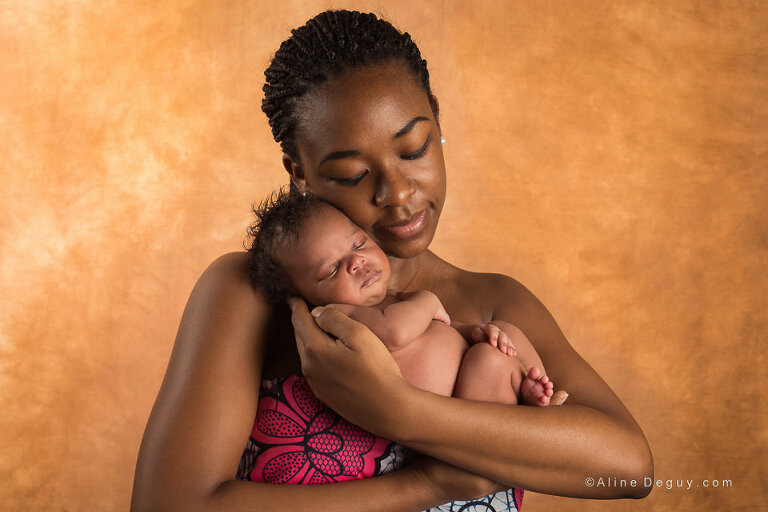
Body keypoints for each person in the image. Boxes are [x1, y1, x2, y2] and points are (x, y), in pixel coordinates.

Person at [131, 9, 653, 512]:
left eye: (414, 150)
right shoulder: (248, 294)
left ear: (438, 123)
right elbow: (168, 504)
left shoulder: (493, 303)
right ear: (300, 174)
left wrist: (403, 411)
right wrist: (424, 486)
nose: (399, 194)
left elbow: (631, 468)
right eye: (354, 174)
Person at [248, 189, 557, 406]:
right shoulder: (336, 316)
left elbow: (443, 329)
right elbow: (397, 333)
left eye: (358, 243)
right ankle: (521, 401)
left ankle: (530, 386)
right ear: (305, 297)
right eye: (330, 271)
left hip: (471, 385)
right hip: (455, 413)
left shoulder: (392, 299)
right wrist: (427, 300)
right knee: (487, 359)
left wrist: (473, 331)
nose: (356, 263)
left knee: (503, 333)